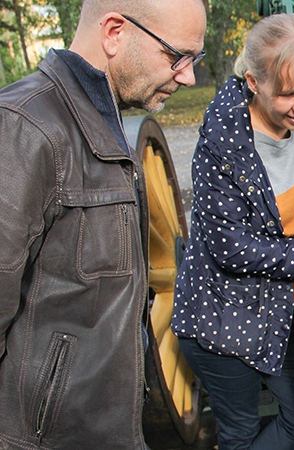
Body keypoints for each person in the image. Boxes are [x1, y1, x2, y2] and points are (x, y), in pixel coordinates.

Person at [0, 0, 206, 448]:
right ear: (114, 31)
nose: (188, 76)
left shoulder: (102, 118)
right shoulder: (23, 129)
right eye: (178, 57)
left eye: (196, 60)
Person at [171, 14, 294, 450]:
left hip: (280, 306)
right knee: (239, 434)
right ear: (253, 82)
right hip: (222, 321)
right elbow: (232, 249)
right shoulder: (221, 149)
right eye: (288, 94)